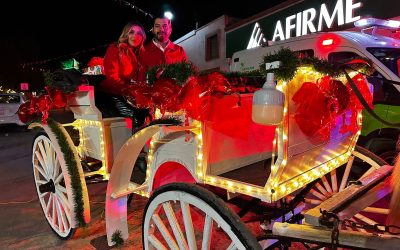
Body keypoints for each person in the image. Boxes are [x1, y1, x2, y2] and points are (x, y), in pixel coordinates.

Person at [100, 21, 147, 96]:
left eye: (139, 33)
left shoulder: (141, 55)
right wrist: (129, 89)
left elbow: (141, 80)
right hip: (112, 93)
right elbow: (112, 78)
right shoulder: (115, 49)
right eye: (131, 32)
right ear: (126, 34)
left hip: (129, 94)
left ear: (142, 37)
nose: (135, 36)